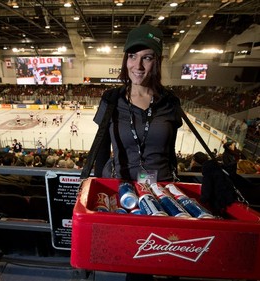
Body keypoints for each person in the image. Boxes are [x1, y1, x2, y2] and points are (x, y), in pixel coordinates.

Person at [92, 25, 182, 281]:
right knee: (137, 261)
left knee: (165, 258)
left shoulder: (170, 102)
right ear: (125, 60)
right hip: (125, 191)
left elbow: (170, 149)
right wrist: (98, 183)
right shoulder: (111, 99)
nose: (138, 65)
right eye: (132, 56)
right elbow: (100, 148)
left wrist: (173, 186)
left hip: (161, 190)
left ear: (158, 60)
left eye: (147, 57)